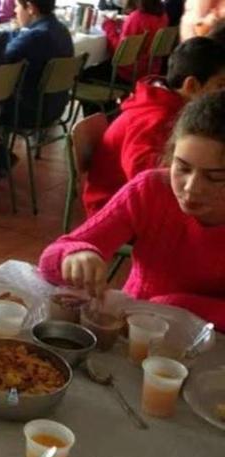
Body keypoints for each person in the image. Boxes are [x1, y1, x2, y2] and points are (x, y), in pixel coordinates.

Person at [39, 90, 225, 330]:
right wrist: (74, 254)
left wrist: (175, 305)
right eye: (182, 168)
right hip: (133, 327)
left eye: (215, 177)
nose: (191, 188)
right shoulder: (152, 190)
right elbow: (51, 259)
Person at [82, 37, 225, 216]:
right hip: (114, 211)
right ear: (192, 85)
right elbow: (145, 178)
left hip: (135, 199)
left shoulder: (170, 105)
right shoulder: (153, 117)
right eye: (220, 85)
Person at [4, 0, 74, 128]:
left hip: (29, 112)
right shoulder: (61, 29)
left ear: (30, 8)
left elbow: (3, 56)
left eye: (17, 6)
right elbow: (18, 37)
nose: (15, 11)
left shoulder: (36, 36)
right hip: (55, 107)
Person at [102, 0, 169, 81]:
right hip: (152, 68)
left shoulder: (136, 17)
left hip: (130, 71)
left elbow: (121, 51)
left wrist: (108, 25)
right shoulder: (163, 16)